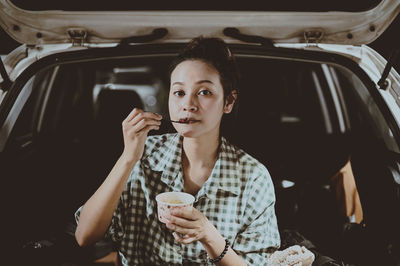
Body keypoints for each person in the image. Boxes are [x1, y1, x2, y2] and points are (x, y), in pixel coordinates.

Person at [75, 36, 280, 265]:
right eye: (179, 93)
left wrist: (208, 235)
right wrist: (128, 158)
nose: (188, 104)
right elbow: (85, 236)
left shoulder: (252, 177)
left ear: (228, 102)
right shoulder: (143, 154)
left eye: (204, 92)